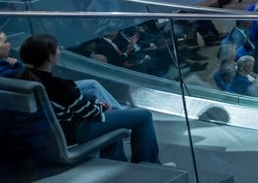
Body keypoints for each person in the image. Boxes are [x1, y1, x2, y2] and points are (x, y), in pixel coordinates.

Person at [16, 34, 162, 163]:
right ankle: (150, 163)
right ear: (50, 56)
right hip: (72, 134)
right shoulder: (59, 86)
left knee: (114, 116)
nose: (60, 51)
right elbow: (93, 115)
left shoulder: (21, 79)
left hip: (44, 136)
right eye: (58, 48)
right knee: (144, 116)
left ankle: (117, 161)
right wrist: (102, 106)